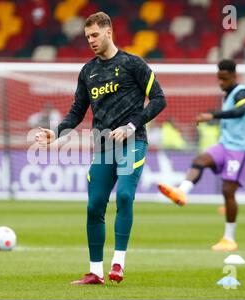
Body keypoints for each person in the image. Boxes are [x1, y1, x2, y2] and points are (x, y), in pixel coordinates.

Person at [35, 12, 166, 285]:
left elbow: (158, 100)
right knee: (95, 206)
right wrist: (56, 133)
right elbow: (76, 112)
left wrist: (131, 125)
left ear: (109, 32)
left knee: (126, 197)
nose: (91, 41)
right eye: (87, 37)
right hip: (103, 148)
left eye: (95, 35)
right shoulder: (88, 72)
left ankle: (118, 264)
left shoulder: (133, 64)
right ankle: (95, 272)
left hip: (133, 143)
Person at [158, 59, 245, 252]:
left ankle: (229, 238)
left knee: (228, 191)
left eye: (224, 78)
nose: (220, 82)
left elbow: (242, 109)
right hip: (226, 145)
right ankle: (182, 192)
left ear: (233, 76)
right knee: (199, 160)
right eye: (218, 79)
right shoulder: (227, 95)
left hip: (243, 148)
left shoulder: (241, 91)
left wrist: (213, 116)